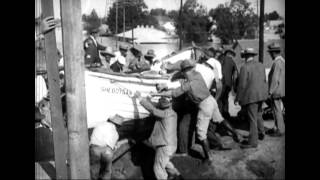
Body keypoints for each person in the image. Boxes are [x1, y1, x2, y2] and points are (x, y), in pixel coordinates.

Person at [153, 60, 222, 164]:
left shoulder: (188, 84)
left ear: (183, 71)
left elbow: (174, 93)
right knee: (216, 121)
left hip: (203, 106)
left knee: (199, 132)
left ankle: (208, 157)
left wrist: (157, 94)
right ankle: (220, 142)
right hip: (210, 100)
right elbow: (182, 83)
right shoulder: (197, 75)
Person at [135, 92, 182, 180]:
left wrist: (140, 98)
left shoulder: (164, 114)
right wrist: (153, 96)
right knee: (165, 161)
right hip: (172, 145)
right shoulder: (173, 113)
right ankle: (177, 175)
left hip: (165, 146)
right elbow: (156, 107)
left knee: (158, 168)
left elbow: (152, 110)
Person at [235, 48, 268, 149]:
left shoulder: (244, 67)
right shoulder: (261, 65)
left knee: (252, 119)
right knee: (258, 114)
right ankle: (262, 133)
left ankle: (253, 142)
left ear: (245, 56)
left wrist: (237, 98)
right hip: (261, 95)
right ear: (253, 55)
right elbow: (264, 80)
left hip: (251, 96)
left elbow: (242, 85)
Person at [89, 114, 125, 180]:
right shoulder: (115, 132)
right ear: (118, 125)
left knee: (94, 169)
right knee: (106, 172)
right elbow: (112, 146)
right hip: (107, 150)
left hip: (94, 148)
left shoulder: (99, 125)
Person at [267, 43, 285, 137]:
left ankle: (280, 130)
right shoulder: (283, 61)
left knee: (277, 110)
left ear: (274, 53)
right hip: (283, 90)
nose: (270, 55)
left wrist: (270, 92)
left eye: (270, 53)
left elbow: (275, 79)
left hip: (277, 91)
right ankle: (277, 127)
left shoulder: (277, 62)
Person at [219, 49, 238, 119]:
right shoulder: (232, 61)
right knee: (225, 100)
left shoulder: (219, 59)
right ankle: (225, 116)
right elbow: (235, 74)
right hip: (227, 85)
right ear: (229, 54)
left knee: (219, 101)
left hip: (219, 83)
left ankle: (219, 117)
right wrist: (235, 86)